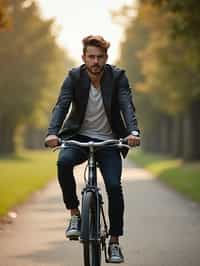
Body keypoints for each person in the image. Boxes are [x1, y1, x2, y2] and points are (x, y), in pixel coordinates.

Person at [44, 35, 140, 263]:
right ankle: (75, 215)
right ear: (84, 58)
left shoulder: (118, 77)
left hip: (108, 142)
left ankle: (114, 242)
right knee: (63, 162)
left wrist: (133, 132)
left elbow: (127, 104)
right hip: (79, 137)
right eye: (91, 57)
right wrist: (52, 133)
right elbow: (61, 105)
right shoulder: (73, 77)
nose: (95, 61)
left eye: (100, 57)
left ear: (106, 58)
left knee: (114, 186)